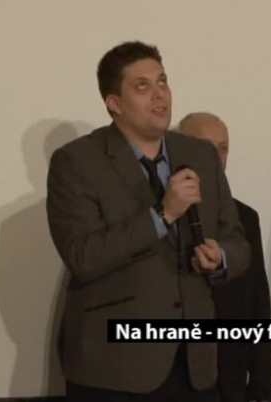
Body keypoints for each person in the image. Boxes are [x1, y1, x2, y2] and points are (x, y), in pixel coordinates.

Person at [46, 41, 249, 401]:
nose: (160, 95)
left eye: (163, 82)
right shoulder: (77, 162)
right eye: (142, 86)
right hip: (115, 368)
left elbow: (236, 238)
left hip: (195, 365)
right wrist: (163, 215)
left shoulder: (200, 154)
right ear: (114, 103)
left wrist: (221, 258)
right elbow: (82, 255)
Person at [179, 112, 271, 402]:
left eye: (223, 148)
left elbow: (257, 301)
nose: (217, 158)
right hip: (175, 377)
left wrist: (262, 380)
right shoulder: (160, 215)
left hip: (229, 379)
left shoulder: (245, 217)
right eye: (206, 148)